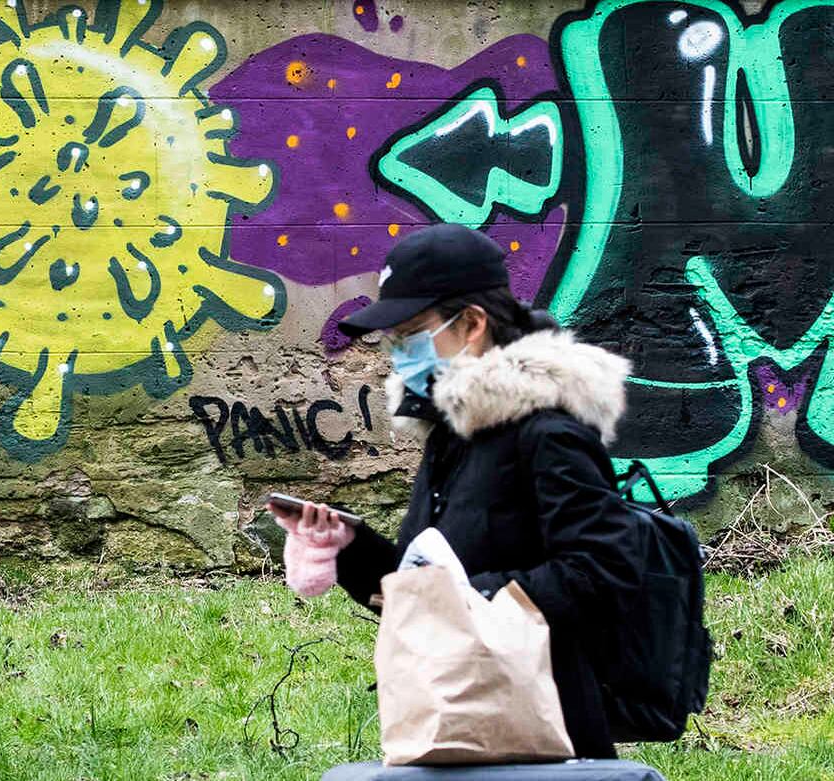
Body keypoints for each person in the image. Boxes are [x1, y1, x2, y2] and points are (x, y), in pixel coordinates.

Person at [269, 224, 645, 759]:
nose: (398, 353)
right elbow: (427, 587)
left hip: (545, 735)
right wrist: (348, 549)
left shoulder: (549, 434)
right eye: (393, 339)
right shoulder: (451, 433)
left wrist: (473, 595)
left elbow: (605, 570)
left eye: (410, 334)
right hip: (457, 724)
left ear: (471, 323)